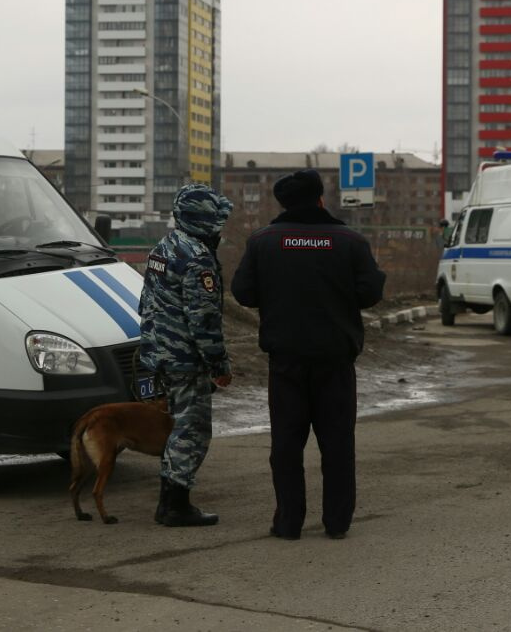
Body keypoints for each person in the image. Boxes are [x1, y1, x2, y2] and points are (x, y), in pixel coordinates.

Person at [231, 168, 386, 540]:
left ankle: (288, 523)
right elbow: (369, 293)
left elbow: (244, 293)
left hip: (286, 362)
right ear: (320, 199)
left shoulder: (263, 241)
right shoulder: (349, 241)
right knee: (337, 445)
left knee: (286, 445)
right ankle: (337, 523)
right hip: (335, 361)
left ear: (282, 203)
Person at [138, 183, 234, 527]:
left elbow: (146, 302)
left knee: (175, 426)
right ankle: (175, 505)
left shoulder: (163, 248)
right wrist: (219, 363)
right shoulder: (198, 259)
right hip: (185, 360)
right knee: (191, 431)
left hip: (157, 353)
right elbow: (203, 321)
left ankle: (171, 501)